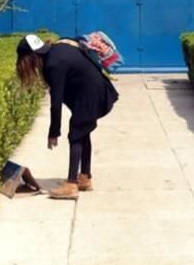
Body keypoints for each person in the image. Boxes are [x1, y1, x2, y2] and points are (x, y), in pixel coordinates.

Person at [16, 34, 119, 200]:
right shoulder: (58, 48)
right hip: (99, 91)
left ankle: (71, 185)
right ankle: (85, 177)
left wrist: (53, 132)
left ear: (30, 57)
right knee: (83, 132)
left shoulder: (53, 64)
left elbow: (56, 101)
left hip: (92, 95)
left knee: (76, 134)